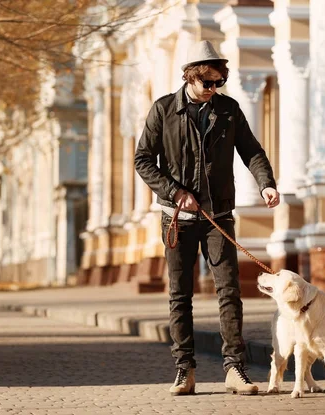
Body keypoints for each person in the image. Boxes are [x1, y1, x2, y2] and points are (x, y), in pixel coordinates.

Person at [134, 40, 280, 396]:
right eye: (208, 83)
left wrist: (266, 184)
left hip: (219, 216)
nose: (214, 89)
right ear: (190, 77)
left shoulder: (228, 110)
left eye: (219, 83)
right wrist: (174, 191)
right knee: (179, 295)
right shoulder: (164, 109)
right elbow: (142, 160)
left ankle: (235, 369)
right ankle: (185, 370)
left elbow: (252, 151)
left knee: (229, 291)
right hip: (176, 219)